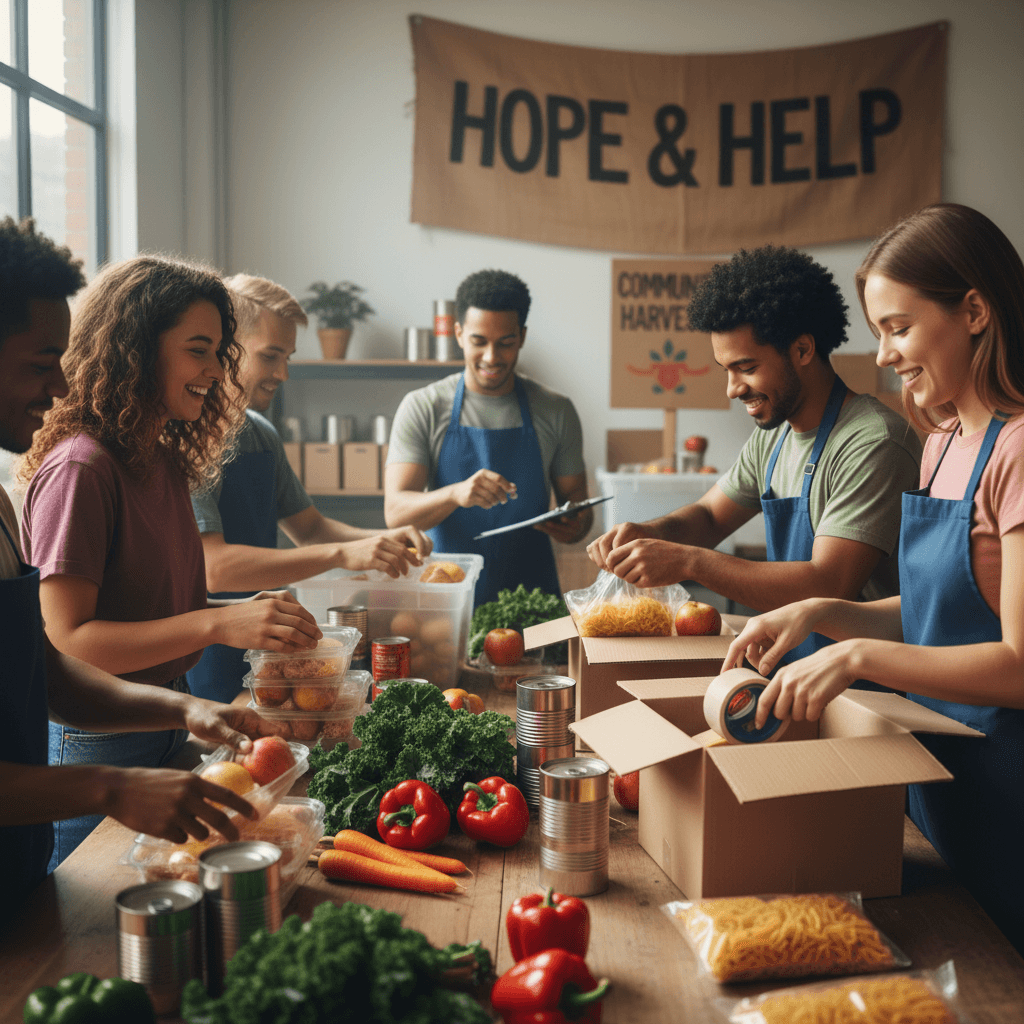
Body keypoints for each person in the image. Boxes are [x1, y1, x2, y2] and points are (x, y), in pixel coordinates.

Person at [723, 204, 1024, 953]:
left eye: (898, 327)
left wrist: (852, 657)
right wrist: (826, 613)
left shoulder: (1017, 455)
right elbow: (934, 613)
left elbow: (1019, 664)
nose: (883, 355)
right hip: (934, 775)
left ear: (976, 312)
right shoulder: (944, 442)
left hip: (1006, 786)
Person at [0, 219, 272, 920]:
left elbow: (45, 673)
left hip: (106, 764)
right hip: (89, 759)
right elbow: (70, 638)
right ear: (134, 353)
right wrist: (110, 787)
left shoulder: (153, 464)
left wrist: (184, 707)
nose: (57, 383)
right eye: (37, 362)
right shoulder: (81, 467)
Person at [589, 245, 922, 665]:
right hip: (795, 667)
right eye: (726, 370)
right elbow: (710, 517)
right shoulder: (775, 434)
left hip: (867, 682)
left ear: (802, 350)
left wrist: (691, 562)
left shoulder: (874, 442)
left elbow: (829, 583)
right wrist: (647, 533)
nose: (732, 389)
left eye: (745, 368)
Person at [186, 274, 431, 703]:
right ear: (228, 345)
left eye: (287, 357)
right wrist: (342, 554)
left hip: (269, 651)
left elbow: (312, 530)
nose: (282, 373)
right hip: (206, 656)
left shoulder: (259, 432)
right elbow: (217, 569)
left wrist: (380, 540)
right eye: (270, 356)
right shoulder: (188, 438)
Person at [383, 269, 591, 606]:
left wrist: (575, 525)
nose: (492, 357)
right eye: (479, 341)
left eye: (505, 343)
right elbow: (395, 512)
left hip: (532, 599)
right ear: (459, 334)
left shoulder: (556, 410)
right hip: (446, 602)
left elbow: (579, 506)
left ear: (521, 337)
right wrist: (455, 494)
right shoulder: (423, 406)